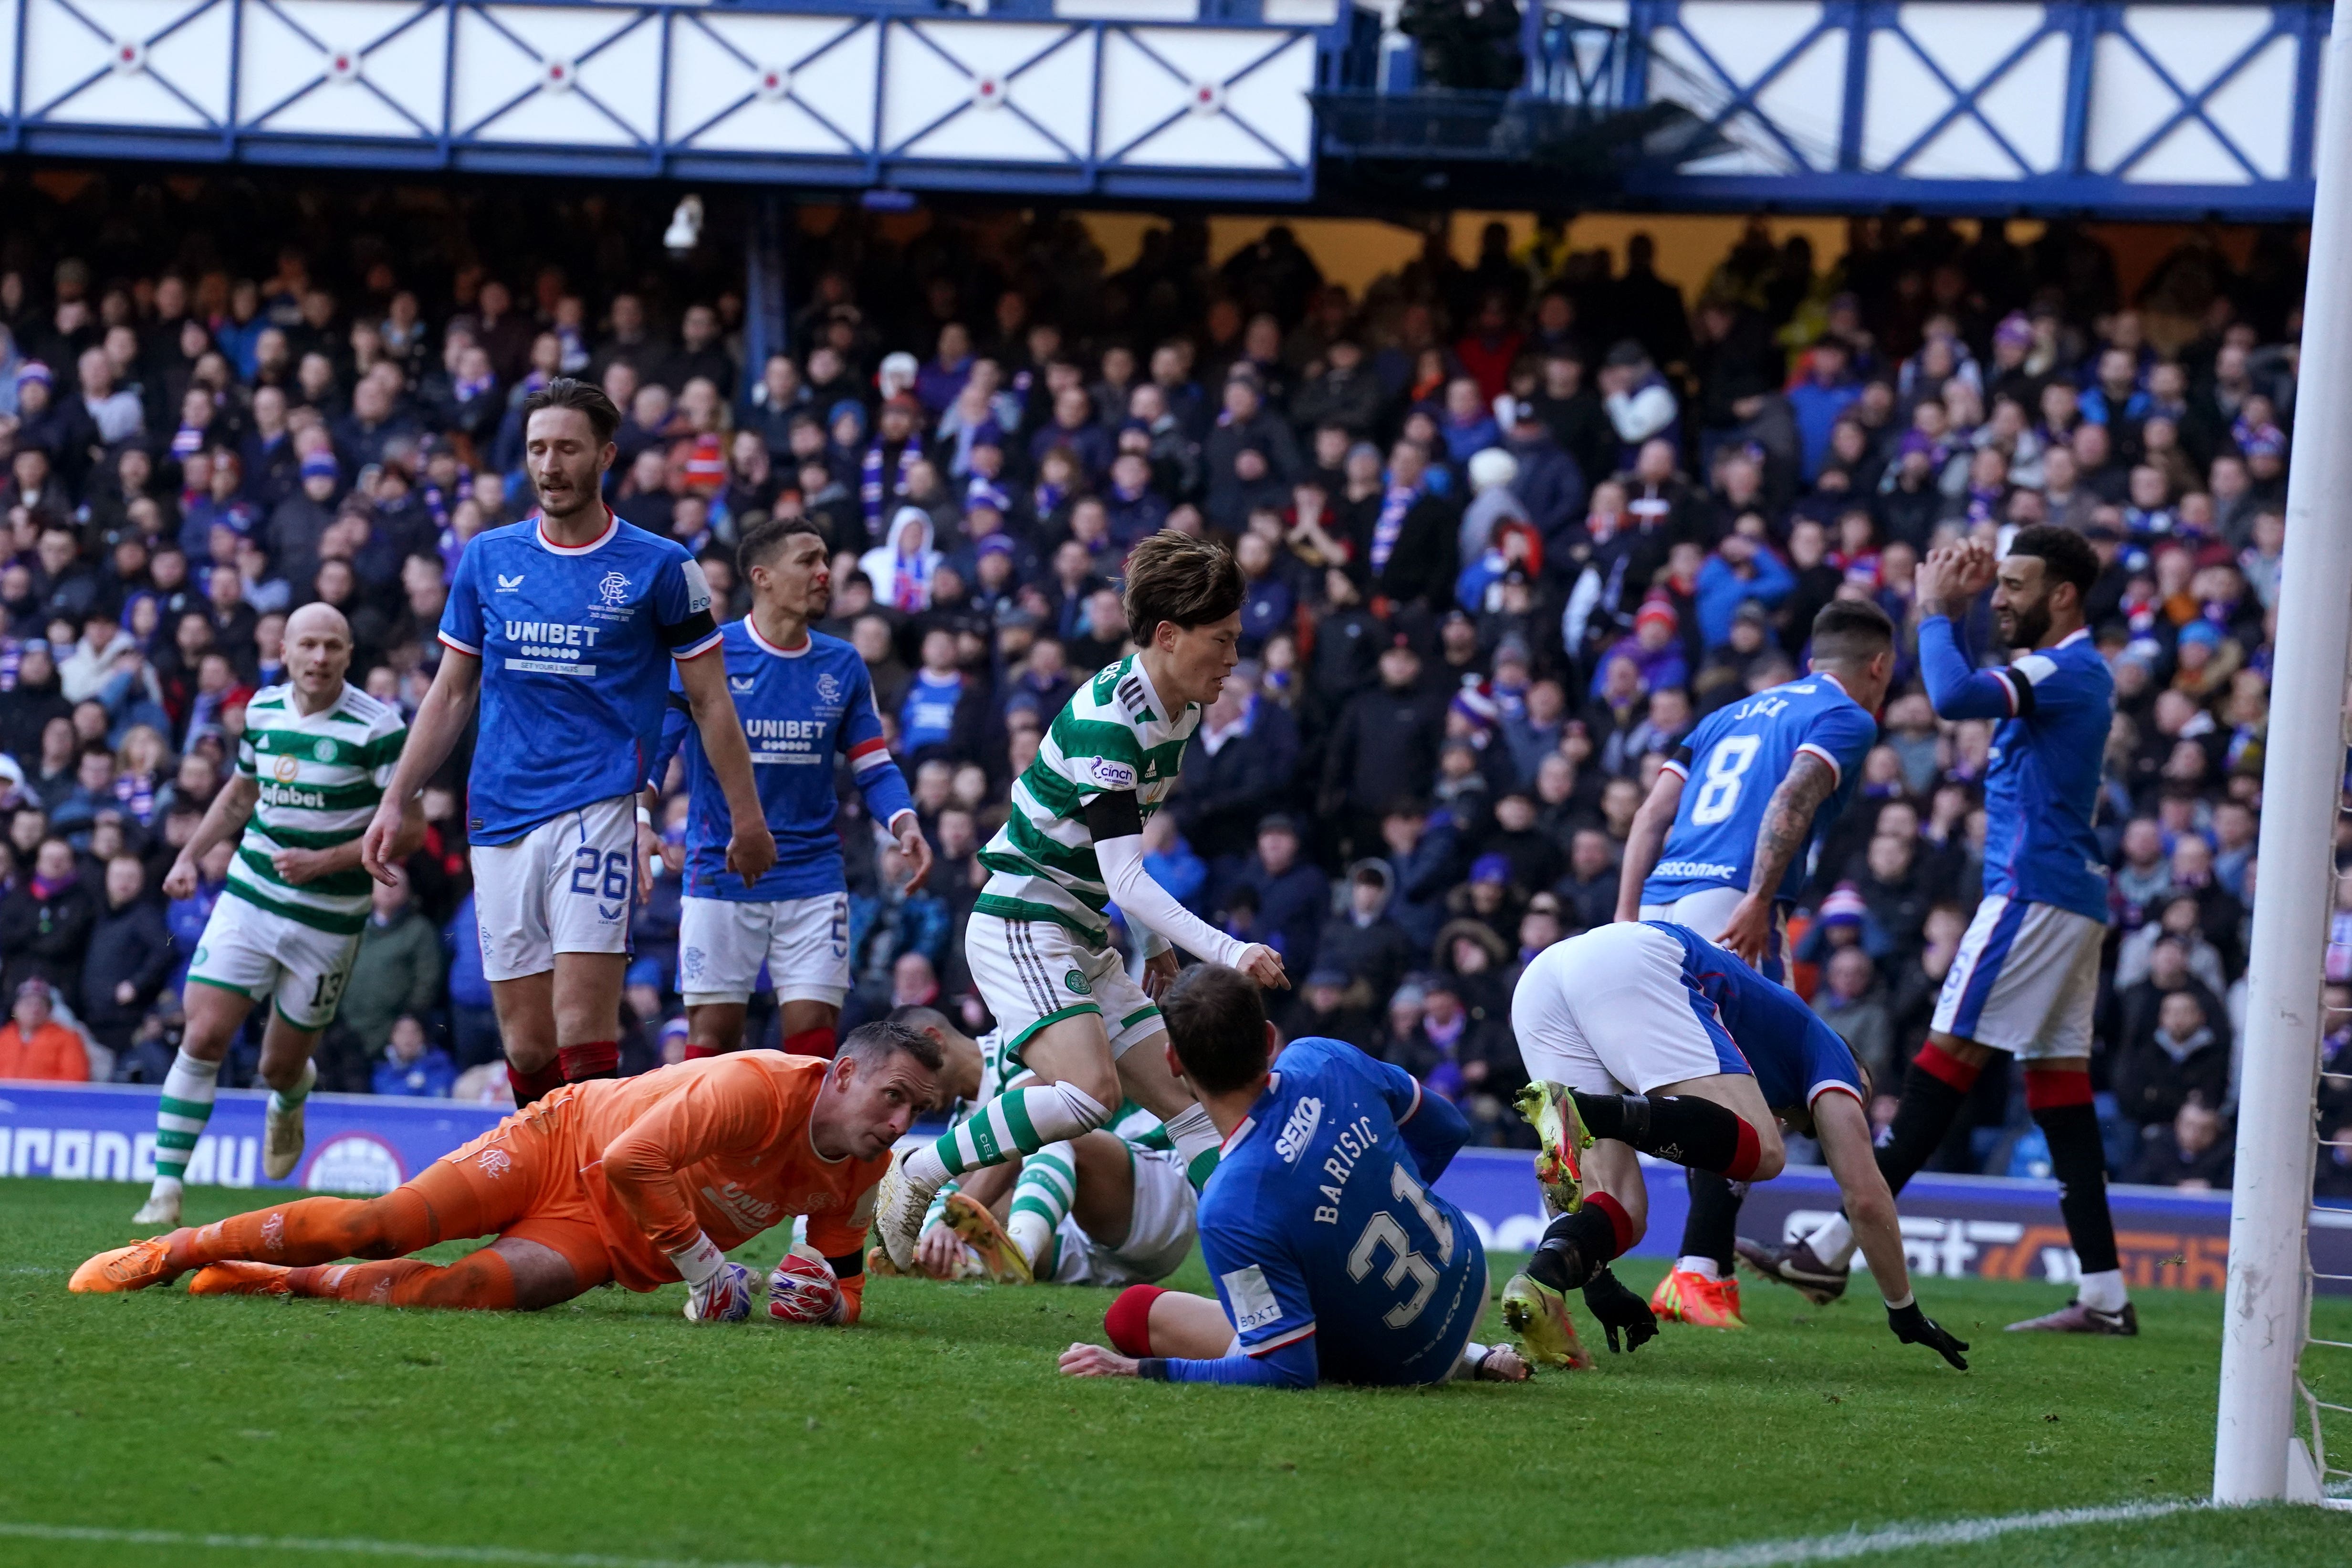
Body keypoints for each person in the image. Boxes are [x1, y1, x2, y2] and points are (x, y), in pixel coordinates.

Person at [1744, 529, 2134, 1336]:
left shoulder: (2062, 668)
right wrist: (1952, 618)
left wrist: (1932, 613)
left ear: (2062, 596)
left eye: (2015, 585)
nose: (1999, 598)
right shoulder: (2070, 672)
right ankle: (2103, 1293)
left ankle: (1828, 1243)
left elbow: (1953, 698)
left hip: (2030, 894)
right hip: (2065, 895)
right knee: (2057, 1091)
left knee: (1937, 1068)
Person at [870, 532, 1287, 1271]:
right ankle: (919, 1172)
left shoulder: (1180, 709)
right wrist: (1229, 952)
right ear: (1168, 635)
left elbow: (1115, 852)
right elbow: (1127, 875)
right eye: (1221, 641)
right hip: (1023, 920)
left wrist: (1154, 944)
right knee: (1090, 1091)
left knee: (1191, 1112)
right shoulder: (1111, 719)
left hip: (1079, 925)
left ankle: (1266, 1263)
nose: (1233, 658)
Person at [360, 379, 775, 1108]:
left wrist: (747, 819)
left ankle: (589, 1211)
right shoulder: (488, 558)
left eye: (567, 448)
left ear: (606, 456)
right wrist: (398, 797)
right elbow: (452, 692)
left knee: (583, 1033)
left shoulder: (660, 565)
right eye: (537, 449)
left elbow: (710, 699)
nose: (550, 465)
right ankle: (552, 1193)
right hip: (500, 812)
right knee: (526, 1046)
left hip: (598, 805)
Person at [73, 1020, 939, 1319]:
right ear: (844, 1075)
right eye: (892, 1099)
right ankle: (175, 1248)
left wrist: (826, 1305)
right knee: (384, 1225)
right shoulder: (754, 1087)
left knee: (455, 1296)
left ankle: (274, 1281)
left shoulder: (860, 1171)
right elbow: (632, 1156)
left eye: (914, 1114)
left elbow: (846, 1284)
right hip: (561, 1145)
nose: (898, 1125)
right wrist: (708, 1270)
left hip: (605, 1237)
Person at [1505, 921, 1970, 1373]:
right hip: (1633, 960)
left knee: (1622, 1206)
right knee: (1764, 1153)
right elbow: (1867, 1197)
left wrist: (1597, 1281)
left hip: (1546, 980)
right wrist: (1904, 1310)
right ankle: (1589, 1110)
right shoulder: (1833, 1059)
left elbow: (1572, 1186)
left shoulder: (1758, 1050)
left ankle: (1542, 1281)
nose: (1852, 1111)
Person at [1608, 597, 1892, 1327]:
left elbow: (1649, 817)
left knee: (1671, 1077)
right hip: (1733, 903)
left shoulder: (1725, 715)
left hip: (1661, 899)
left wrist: (1625, 913)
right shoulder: (1847, 717)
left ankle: (1669, 1260)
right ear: (1878, 667)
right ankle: (1700, 1270)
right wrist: (1761, 897)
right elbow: (1794, 795)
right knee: (1757, 1087)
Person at [1057, 963, 1530, 1387]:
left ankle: (1465, 1359)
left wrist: (1139, 1369)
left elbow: (1287, 1369)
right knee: (1140, 1314)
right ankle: (1474, 1354)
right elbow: (1448, 1128)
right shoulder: (1323, 1058)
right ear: (1267, 1038)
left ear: (1174, 1062)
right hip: (1468, 1275)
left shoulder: (1230, 1202)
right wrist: (1369, 1185)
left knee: (1132, 1316)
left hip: (1409, 1361)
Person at [131, 603, 420, 1228]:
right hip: (251, 896)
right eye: (308, 646)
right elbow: (241, 793)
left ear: (349, 654)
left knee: (277, 1064)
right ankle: (164, 1190)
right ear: (285, 652)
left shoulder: (378, 728)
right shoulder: (262, 710)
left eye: (333, 647)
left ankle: (291, 1093)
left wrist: (327, 860)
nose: (320, 658)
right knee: (203, 1033)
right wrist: (189, 855)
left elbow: (412, 828)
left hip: (328, 919)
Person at [644, 516, 929, 1061]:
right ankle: (714, 1148)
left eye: (826, 560)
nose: (826, 573)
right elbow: (658, 748)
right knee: (713, 1039)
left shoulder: (842, 663)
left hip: (813, 874)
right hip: (721, 868)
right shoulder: (710, 654)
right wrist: (639, 820)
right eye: (808, 561)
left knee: (813, 1042)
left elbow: (873, 763)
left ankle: (795, 1149)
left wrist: (904, 823)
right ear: (763, 577)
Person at [887, 1004, 1196, 1291]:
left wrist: (950, 1219)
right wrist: (936, 1229)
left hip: (1153, 1206)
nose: (911, 1103)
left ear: (934, 1040)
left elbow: (1031, 1124)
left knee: (1048, 1125)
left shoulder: (1019, 1044)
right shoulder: (961, 1123)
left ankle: (1021, 1247)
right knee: (955, 1177)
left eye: (909, 1080)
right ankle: (956, 1257)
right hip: (1080, 1251)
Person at [0, 979, 89, 1081]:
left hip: (47, 1096)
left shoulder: (67, 1038)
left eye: (40, 1004)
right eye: (28, 1004)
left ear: (49, 1010)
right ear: (15, 1008)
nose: (34, 1010)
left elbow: (75, 1078)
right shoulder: (3, 1037)